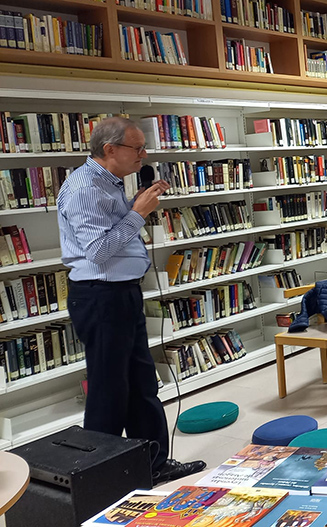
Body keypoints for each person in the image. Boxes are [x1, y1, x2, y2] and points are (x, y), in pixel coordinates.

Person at [57, 117, 205, 484]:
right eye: (137, 148)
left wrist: (136, 203)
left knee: (142, 382)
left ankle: (153, 465)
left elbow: (112, 232)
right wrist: (138, 213)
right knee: (109, 390)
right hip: (101, 297)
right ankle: (101, 479)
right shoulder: (84, 189)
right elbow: (98, 251)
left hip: (122, 294)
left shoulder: (108, 184)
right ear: (110, 150)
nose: (144, 154)